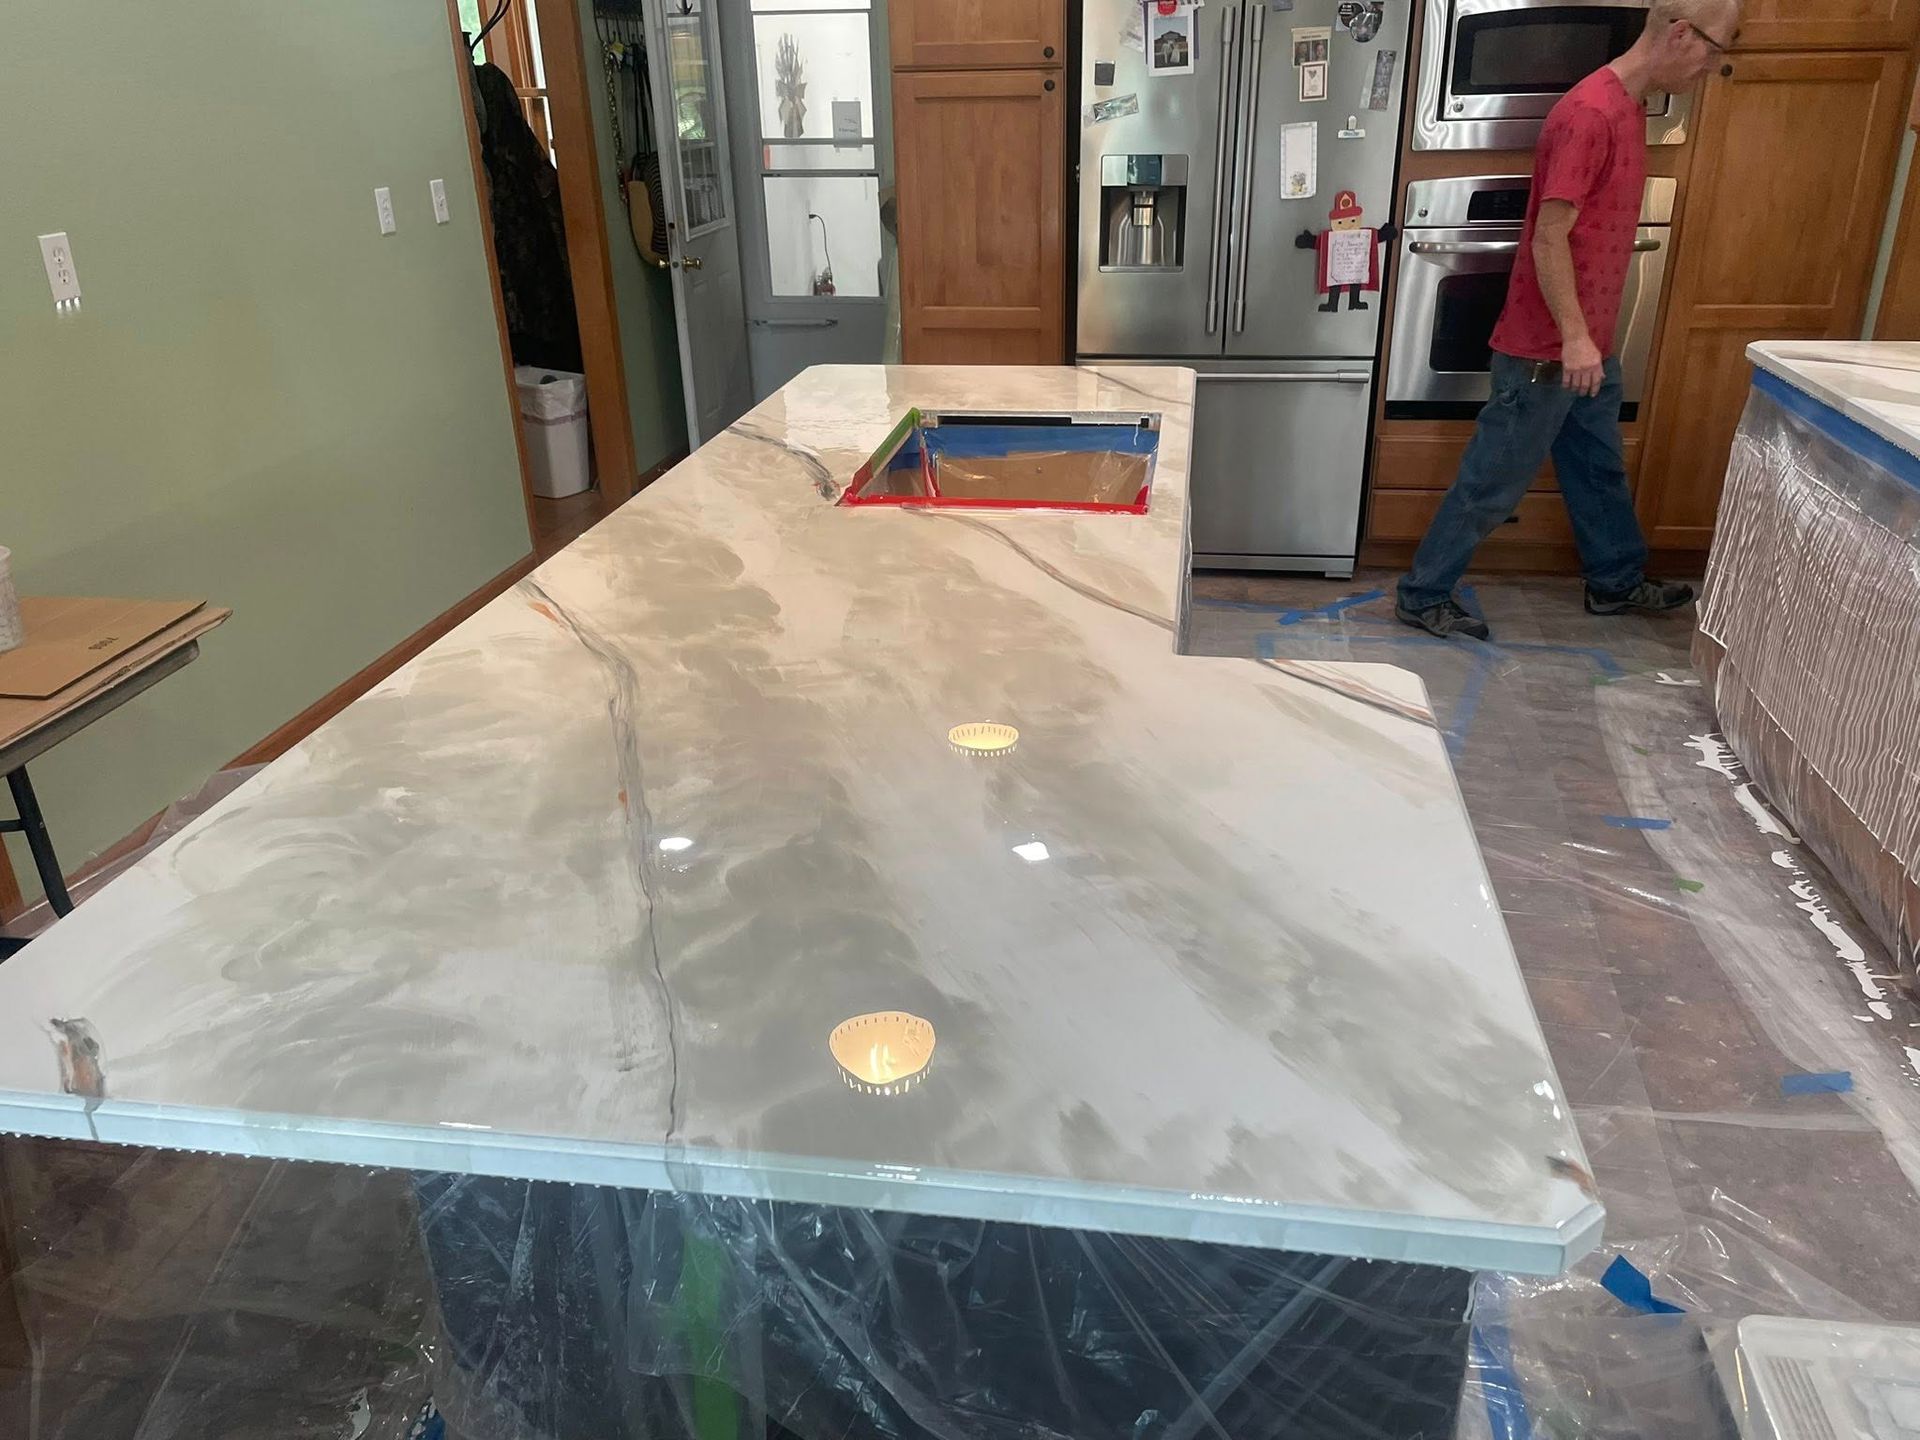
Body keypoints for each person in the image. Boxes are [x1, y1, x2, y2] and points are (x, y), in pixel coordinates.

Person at [1395, 0, 1740, 640]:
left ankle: (1614, 582)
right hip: (1547, 350)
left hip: (1586, 346)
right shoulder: (1589, 114)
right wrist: (1576, 339)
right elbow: (1550, 238)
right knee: (1492, 482)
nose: (1715, 67)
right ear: (1682, 35)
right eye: (1718, 50)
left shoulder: (1627, 107)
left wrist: (1591, 343)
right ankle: (1422, 594)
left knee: (1596, 469)